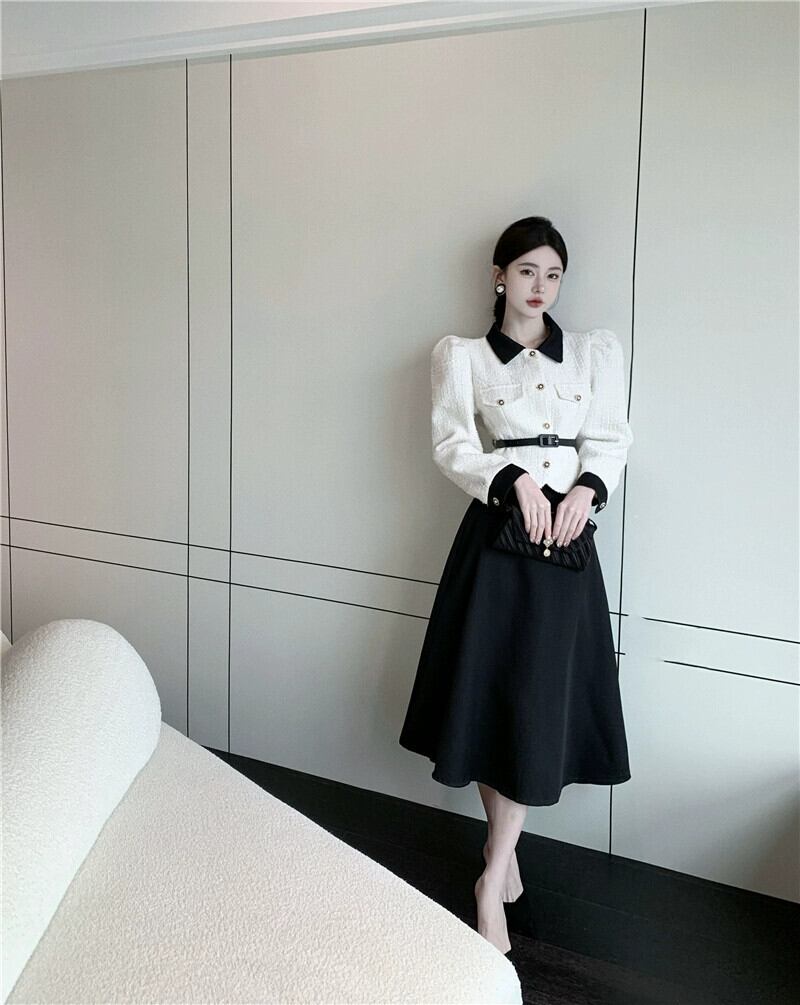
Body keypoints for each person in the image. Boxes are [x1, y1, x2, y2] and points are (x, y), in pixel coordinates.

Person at [398, 215, 634, 956]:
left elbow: (611, 438)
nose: (541, 287)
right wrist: (512, 480)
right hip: (495, 544)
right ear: (500, 276)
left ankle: (492, 871)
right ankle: (500, 863)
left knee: (537, 704)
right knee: (490, 698)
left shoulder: (592, 353)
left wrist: (584, 490)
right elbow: (451, 444)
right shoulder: (462, 356)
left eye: (553, 274)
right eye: (528, 271)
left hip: (565, 545)